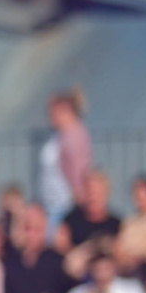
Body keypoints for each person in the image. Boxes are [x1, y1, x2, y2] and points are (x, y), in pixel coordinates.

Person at [38, 88, 93, 221]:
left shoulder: (74, 136)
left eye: (53, 112)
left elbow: (78, 170)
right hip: (52, 204)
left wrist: (79, 198)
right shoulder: (60, 136)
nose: (50, 116)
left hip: (66, 205)